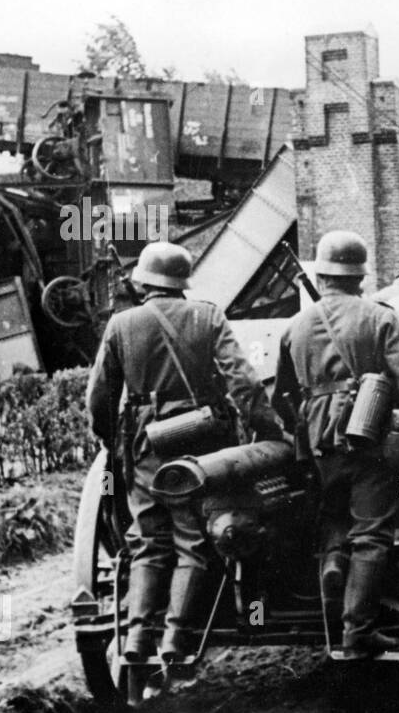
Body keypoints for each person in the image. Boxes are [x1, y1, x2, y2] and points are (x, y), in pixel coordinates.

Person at [87, 241, 283, 664]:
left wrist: (109, 439)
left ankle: (138, 639)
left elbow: (100, 396)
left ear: (143, 284)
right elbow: (243, 383)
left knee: (147, 540)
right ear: (181, 284)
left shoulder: (121, 325)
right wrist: (270, 430)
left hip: (145, 440)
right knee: (192, 538)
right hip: (201, 439)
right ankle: (176, 637)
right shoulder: (207, 315)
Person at [273, 231, 399, 658]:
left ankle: (335, 566)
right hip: (369, 438)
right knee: (372, 531)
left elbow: (281, 394)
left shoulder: (295, 326)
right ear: (358, 277)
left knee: (333, 512)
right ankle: (358, 631)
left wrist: (299, 430)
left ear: (322, 274)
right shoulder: (379, 317)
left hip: (318, 441)